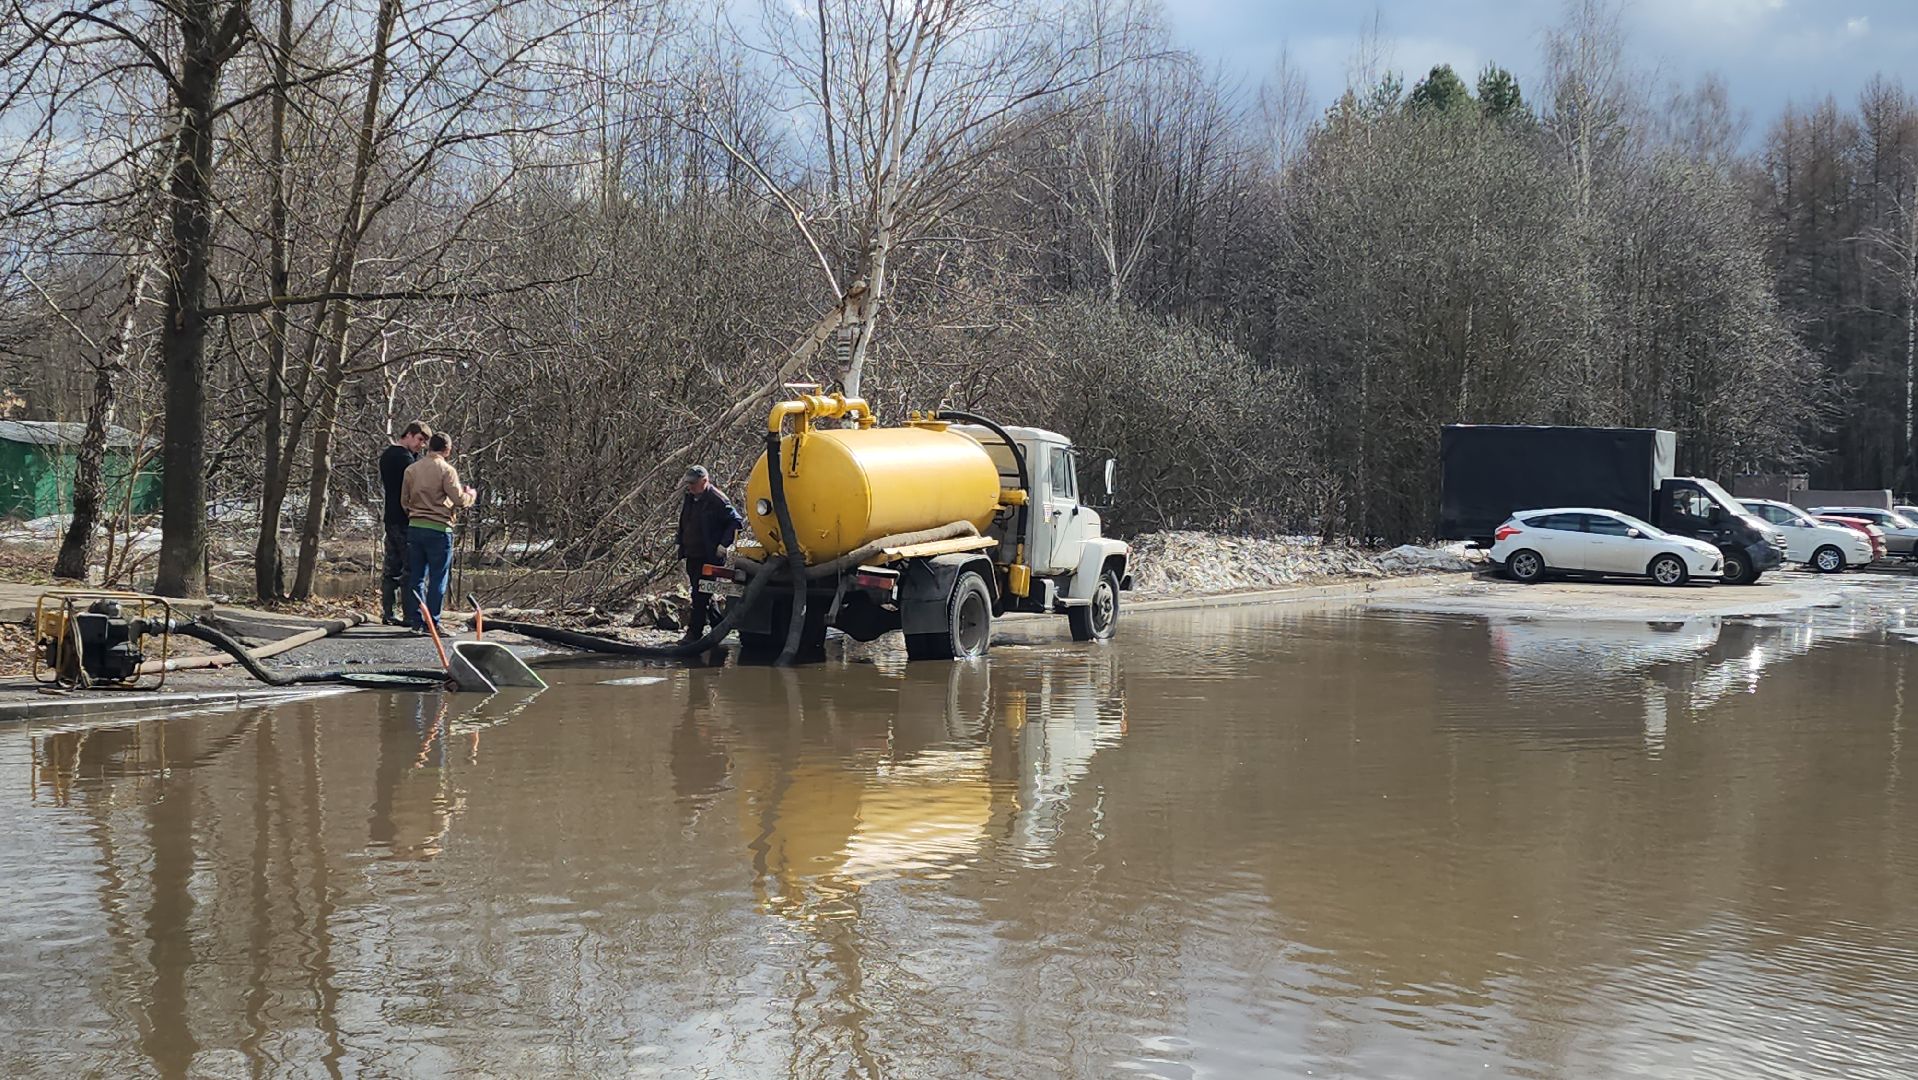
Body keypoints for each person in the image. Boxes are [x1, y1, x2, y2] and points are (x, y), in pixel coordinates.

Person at [400, 432, 476, 631]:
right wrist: (470, 495)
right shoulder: (447, 470)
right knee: (437, 578)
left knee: (416, 577)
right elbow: (459, 500)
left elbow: (404, 501)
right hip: (439, 529)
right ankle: (432, 623)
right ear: (447, 450)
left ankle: (416, 622)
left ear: (428, 446)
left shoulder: (411, 470)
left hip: (415, 528)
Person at [676, 465, 744, 643]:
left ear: (704, 481)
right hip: (692, 554)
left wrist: (723, 544)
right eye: (688, 483)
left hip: (709, 557)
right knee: (702, 593)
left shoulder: (717, 500)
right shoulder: (690, 497)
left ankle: (694, 635)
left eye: (693, 483)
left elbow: (736, 521)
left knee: (700, 595)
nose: (689, 486)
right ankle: (719, 627)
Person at [378, 422, 431, 625]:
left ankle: (388, 612)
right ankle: (411, 615)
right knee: (410, 567)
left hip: (390, 517)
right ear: (408, 435)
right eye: (419, 440)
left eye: (424, 443)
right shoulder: (404, 459)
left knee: (391, 567)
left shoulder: (387, 454)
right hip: (404, 519)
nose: (421, 446)